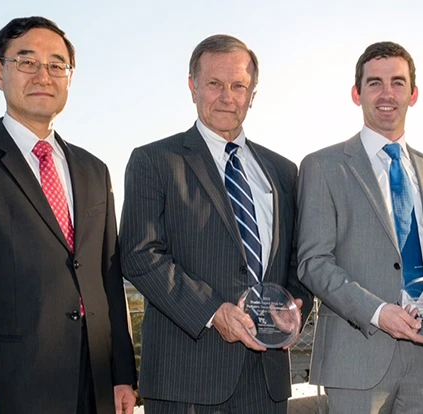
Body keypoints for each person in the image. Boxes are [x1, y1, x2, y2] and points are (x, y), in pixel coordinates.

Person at [0, 16, 136, 414]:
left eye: (56, 65)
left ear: (70, 78)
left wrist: (122, 372)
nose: (43, 76)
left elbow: (108, 275)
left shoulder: (94, 170)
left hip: (96, 382)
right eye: (27, 61)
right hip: (8, 386)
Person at [119, 34, 313, 413]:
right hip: (187, 381)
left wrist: (295, 310)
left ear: (252, 94)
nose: (227, 97)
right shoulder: (154, 161)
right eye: (214, 84)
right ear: (192, 87)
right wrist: (212, 311)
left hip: (266, 382)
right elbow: (139, 254)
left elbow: (298, 258)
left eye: (238, 86)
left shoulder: (283, 171)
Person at [297, 41, 423, 413]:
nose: (387, 93)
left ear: (413, 94)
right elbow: (313, 262)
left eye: (397, 83)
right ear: (356, 94)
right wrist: (377, 312)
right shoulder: (323, 166)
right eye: (375, 83)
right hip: (357, 356)